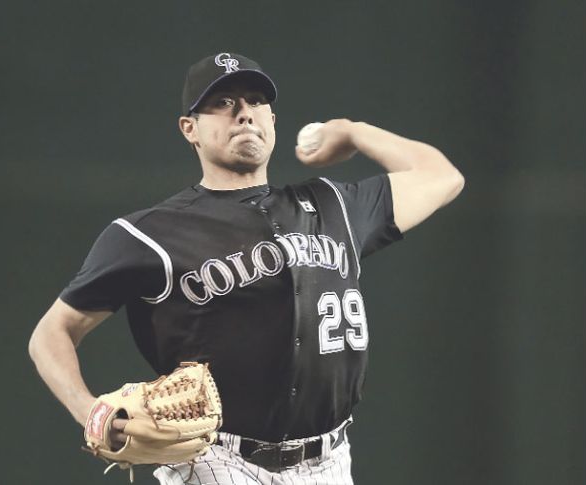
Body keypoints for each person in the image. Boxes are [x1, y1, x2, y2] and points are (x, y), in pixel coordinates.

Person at [29, 52, 465, 485]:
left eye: (255, 101)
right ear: (190, 129)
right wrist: (91, 412)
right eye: (222, 102)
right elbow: (51, 334)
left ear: (273, 121)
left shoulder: (335, 207)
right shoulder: (148, 234)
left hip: (330, 462)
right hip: (217, 462)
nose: (243, 114)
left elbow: (442, 177)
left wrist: (354, 132)